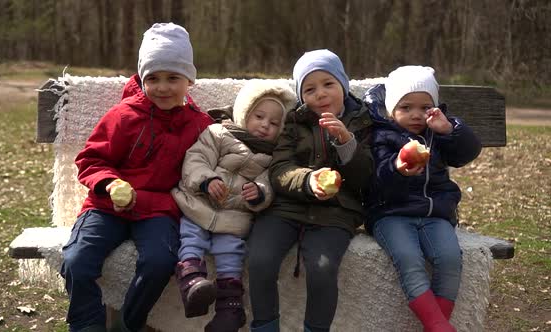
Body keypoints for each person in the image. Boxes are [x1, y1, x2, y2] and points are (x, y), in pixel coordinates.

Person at [59, 23, 213, 332]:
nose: (163, 87)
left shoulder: (199, 125)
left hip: (159, 210)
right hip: (106, 206)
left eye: (173, 78)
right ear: (142, 79)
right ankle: (87, 324)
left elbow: (213, 160)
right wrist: (110, 183)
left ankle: (129, 323)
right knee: (77, 261)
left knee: (159, 262)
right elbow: (92, 159)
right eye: (153, 79)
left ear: (189, 81)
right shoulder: (123, 115)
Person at [247, 49, 374, 332]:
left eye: (328, 84)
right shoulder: (294, 124)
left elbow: (364, 177)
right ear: (301, 95)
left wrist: (346, 142)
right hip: (286, 207)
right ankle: (265, 326)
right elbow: (280, 170)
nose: (320, 94)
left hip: (337, 212)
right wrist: (308, 181)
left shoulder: (361, 122)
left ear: (343, 85)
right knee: (259, 260)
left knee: (322, 269)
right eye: (310, 88)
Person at [363, 65, 482, 332]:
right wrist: (398, 168)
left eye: (425, 107)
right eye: (406, 107)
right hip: (391, 214)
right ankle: (438, 325)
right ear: (392, 109)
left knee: (450, 259)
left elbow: (468, 152)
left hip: (435, 214)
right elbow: (375, 181)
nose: (416, 115)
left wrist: (449, 130)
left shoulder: (438, 133)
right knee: (409, 258)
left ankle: (436, 325)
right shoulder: (381, 135)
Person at [172, 79, 296, 332]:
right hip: (197, 204)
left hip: (234, 216)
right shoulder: (218, 133)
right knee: (191, 237)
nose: (265, 125)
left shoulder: (273, 156)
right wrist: (206, 180)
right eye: (259, 116)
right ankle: (192, 283)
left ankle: (230, 308)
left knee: (231, 251)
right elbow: (195, 159)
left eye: (274, 123)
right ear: (243, 112)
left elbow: (270, 184)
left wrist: (259, 193)